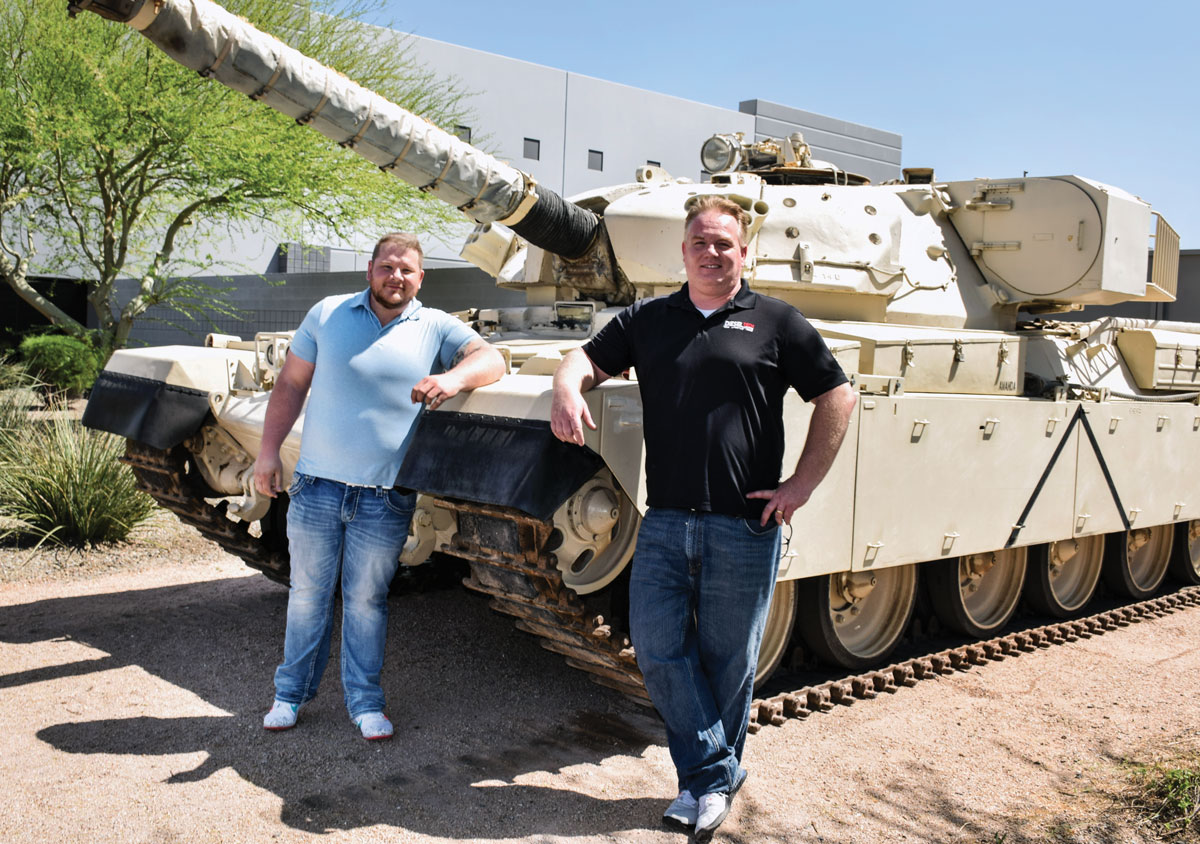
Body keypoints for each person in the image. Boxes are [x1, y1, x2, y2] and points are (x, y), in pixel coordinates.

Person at [550, 196, 856, 840]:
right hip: (663, 520)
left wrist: (800, 485)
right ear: (683, 251)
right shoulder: (650, 319)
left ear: (744, 253)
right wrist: (564, 388)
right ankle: (717, 774)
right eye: (700, 242)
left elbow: (837, 393)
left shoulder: (777, 321)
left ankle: (702, 786)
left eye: (725, 243)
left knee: (728, 660)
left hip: (742, 523)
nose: (712, 252)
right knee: (657, 648)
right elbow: (584, 359)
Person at [252, 232, 506, 741]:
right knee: (307, 596)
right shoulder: (327, 313)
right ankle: (289, 695)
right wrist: (266, 452)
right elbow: (291, 384)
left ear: (420, 277)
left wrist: (452, 380)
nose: (397, 277)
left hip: (383, 496)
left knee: (367, 600)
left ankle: (365, 703)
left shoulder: (434, 324)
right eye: (388, 267)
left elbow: (493, 359)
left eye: (407, 270)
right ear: (370, 270)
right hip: (317, 487)